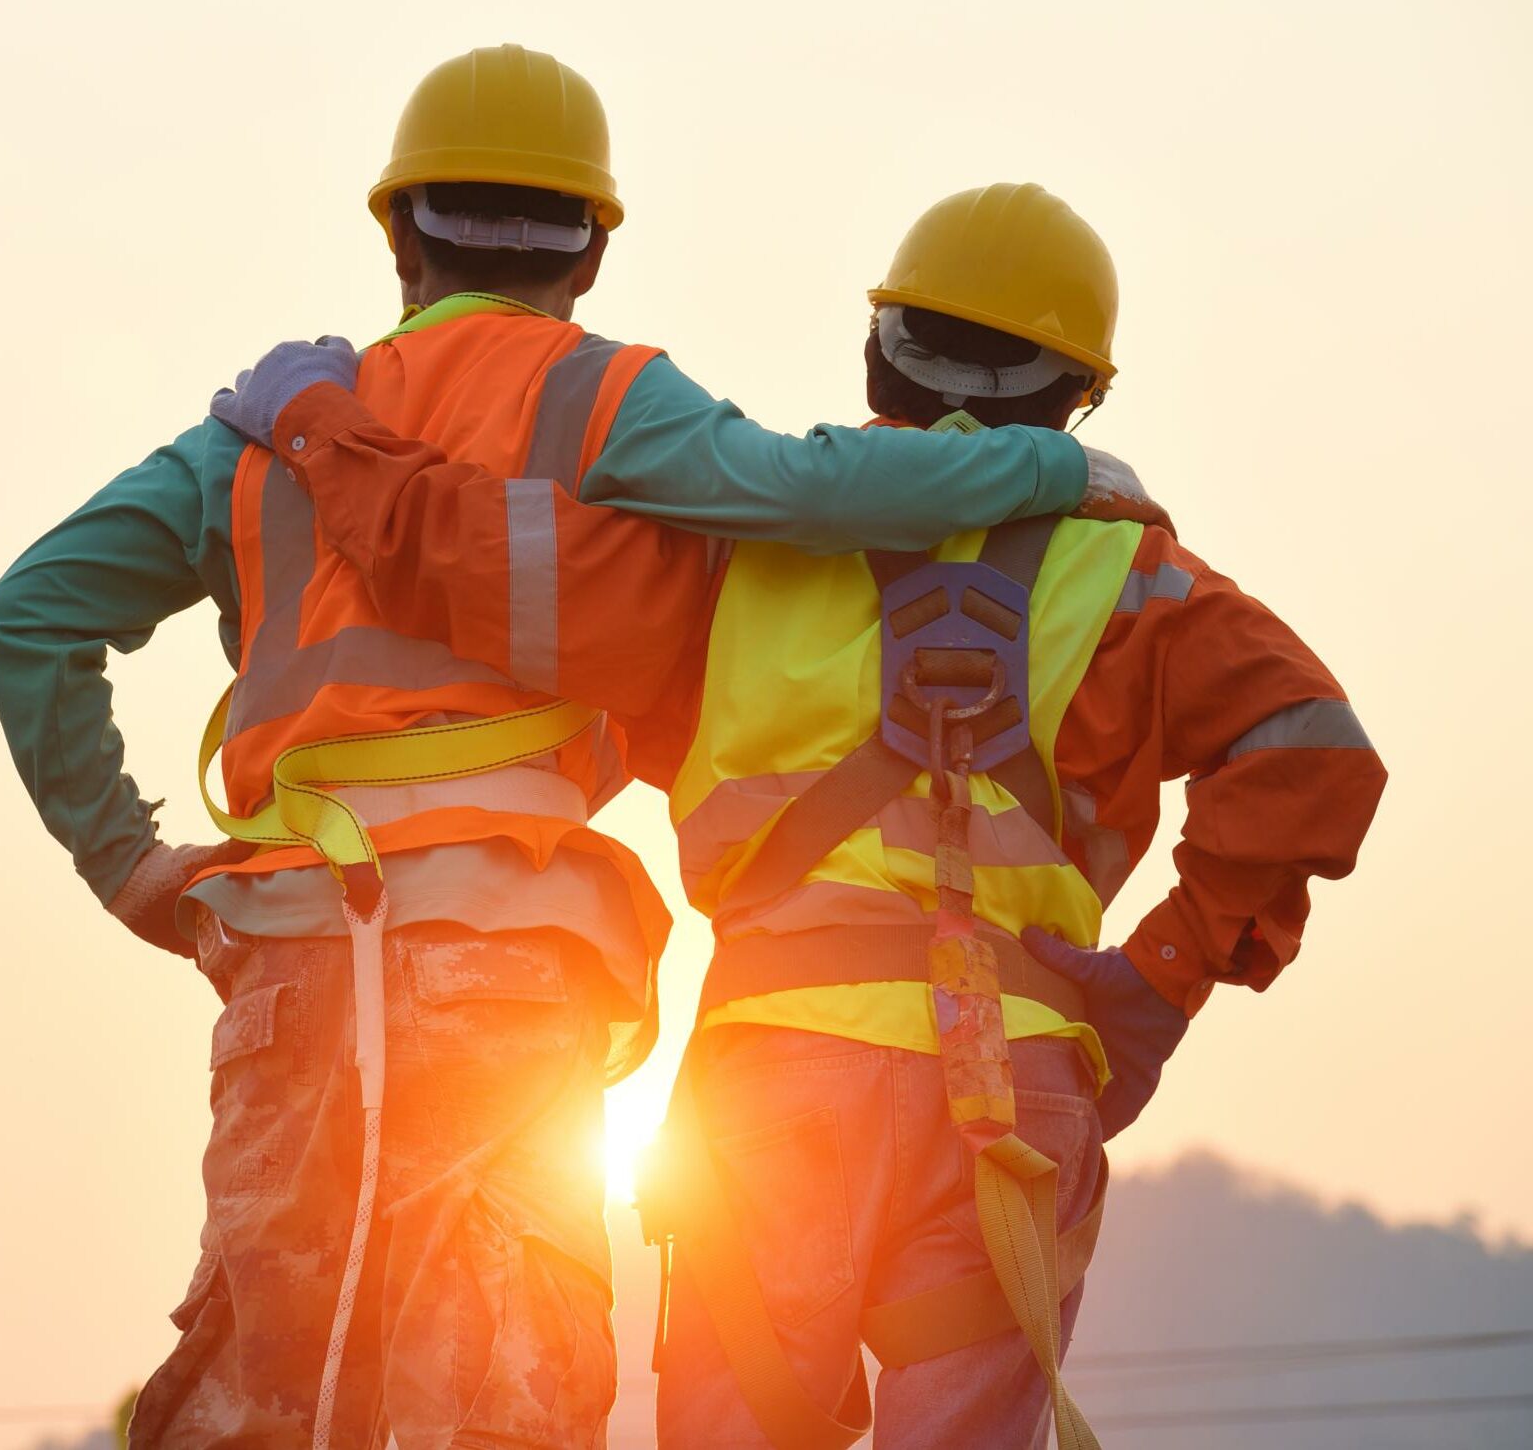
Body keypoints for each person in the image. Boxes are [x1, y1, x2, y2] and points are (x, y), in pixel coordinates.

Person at [0, 42, 1155, 1450]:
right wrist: (1048, 465)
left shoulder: (263, 438)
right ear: (590, 250)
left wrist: (128, 863)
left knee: (270, 1393)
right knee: (505, 1402)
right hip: (506, 969)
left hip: (290, 957)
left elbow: (29, 615)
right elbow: (809, 488)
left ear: (398, 234)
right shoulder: (607, 402)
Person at [211, 180, 1387, 1450]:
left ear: (879, 354)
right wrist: (1153, 985)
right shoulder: (1142, 579)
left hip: (770, 1095)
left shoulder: (730, 552)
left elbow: (459, 552)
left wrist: (321, 419)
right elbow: (1314, 753)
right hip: (1011, 1101)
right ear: (1074, 398)